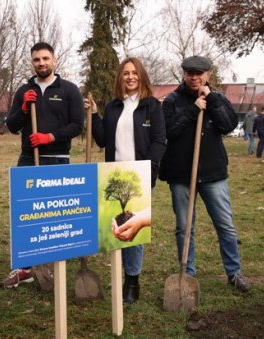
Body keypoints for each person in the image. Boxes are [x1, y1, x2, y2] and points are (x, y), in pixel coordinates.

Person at [159, 55, 251, 293]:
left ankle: (234, 272)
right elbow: (169, 131)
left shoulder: (218, 98)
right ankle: (187, 273)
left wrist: (211, 100)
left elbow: (228, 126)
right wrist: (192, 110)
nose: (194, 77)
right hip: (181, 175)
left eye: (199, 73)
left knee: (225, 225)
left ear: (207, 75)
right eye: (190, 73)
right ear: (184, 74)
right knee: (184, 226)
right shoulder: (172, 101)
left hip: (213, 175)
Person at [2, 42, 85, 288]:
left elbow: (77, 125)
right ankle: (25, 268)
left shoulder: (69, 90)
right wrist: (25, 108)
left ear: (54, 60)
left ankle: (50, 263)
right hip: (29, 158)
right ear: (32, 62)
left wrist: (50, 137)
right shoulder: (23, 91)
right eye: (37, 59)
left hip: (57, 159)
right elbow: (12, 125)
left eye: (45, 58)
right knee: (26, 213)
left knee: (54, 213)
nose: (42, 63)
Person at [84, 57, 166, 304]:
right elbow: (102, 140)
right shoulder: (113, 107)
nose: (130, 77)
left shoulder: (152, 106)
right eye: (125, 73)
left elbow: (159, 141)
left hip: (139, 175)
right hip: (114, 175)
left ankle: (132, 280)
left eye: (134, 73)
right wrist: (96, 114)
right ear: (120, 77)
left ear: (141, 76)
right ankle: (118, 273)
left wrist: (149, 169)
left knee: (135, 232)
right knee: (116, 228)